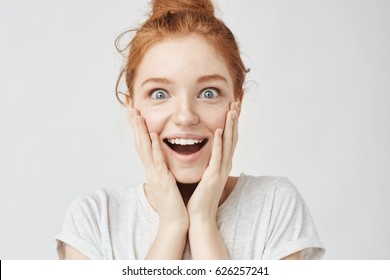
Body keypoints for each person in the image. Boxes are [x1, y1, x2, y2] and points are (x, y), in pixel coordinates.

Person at [56, 0, 325, 260]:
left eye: (209, 93)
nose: (185, 116)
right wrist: (172, 226)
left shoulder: (274, 204)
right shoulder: (94, 221)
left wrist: (203, 221)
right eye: (159, 93)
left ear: (237, 104)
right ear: (132, 108)